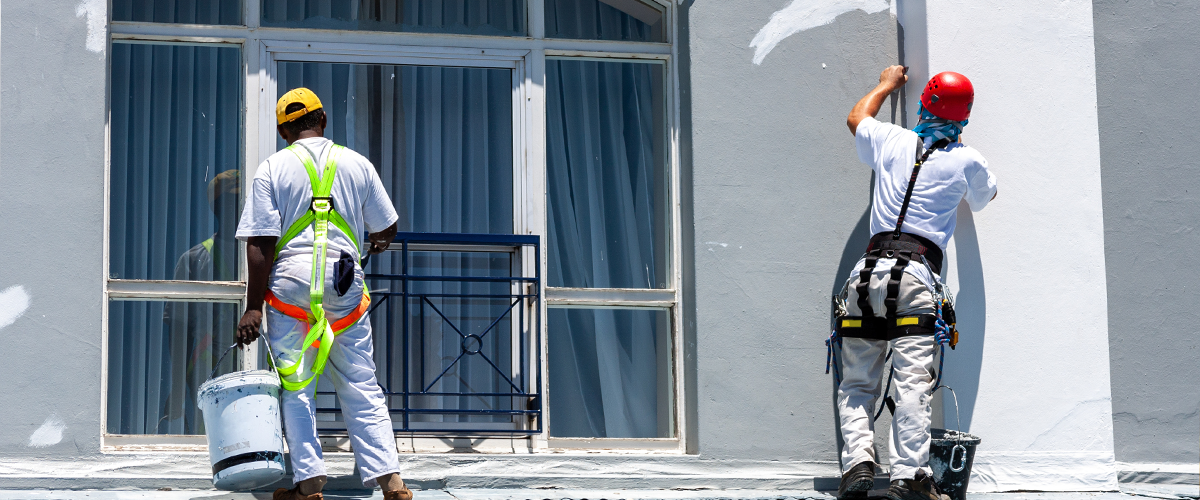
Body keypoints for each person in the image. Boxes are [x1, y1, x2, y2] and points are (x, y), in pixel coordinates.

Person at [833, 66, 997, 500]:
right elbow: (985, 197)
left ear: (924, 102)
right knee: (911, 382)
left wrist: (887, 83)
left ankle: (858, 465)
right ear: (965, 115)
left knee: (856, 382)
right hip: (915, 278)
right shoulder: (968, 159)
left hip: (865, 276)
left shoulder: (892, 140)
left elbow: (856, 118)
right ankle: (908, 477)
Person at [235, 87, 407, 500]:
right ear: (323, 120)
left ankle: (309, 482)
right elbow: (385, 228)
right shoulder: (357, 164)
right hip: (345, 283)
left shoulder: (272, 168)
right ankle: (391, 481)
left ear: (283, 131)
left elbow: (260, 245)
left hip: (291, 289)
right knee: (361, 382)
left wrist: (253, 308)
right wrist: (378, 241)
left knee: (296, 386)